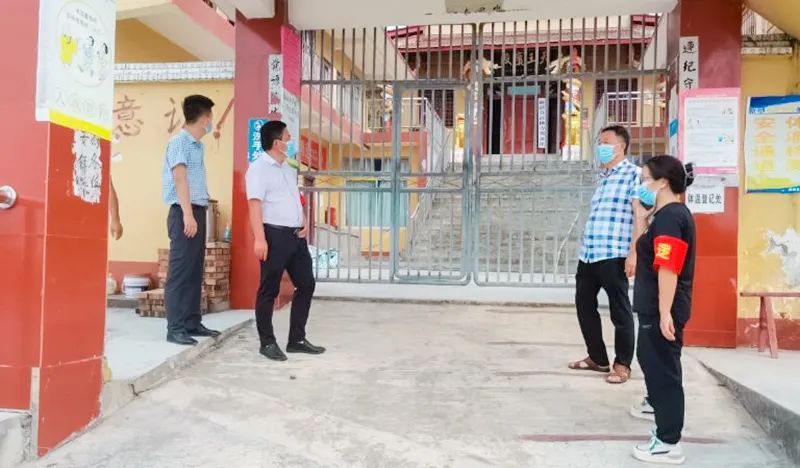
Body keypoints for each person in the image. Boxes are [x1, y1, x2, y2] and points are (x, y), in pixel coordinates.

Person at [630, 156, 696, 465]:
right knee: (652, 363)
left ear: (663, 182)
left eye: (645, 178)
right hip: (655, 306)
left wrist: (665, 312)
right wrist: (641, 219)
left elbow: (668, 268)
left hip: (661, 309)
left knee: (664, 372)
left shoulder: (670, 218)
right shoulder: (663, 216)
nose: (642, 185)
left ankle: (669, 442)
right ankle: (663, 424)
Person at [569, 125, 645, 384]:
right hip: (589, 254)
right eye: (599, 141)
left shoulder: (635, 175)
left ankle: (622, 364)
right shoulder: (603, 177)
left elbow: (640, 217)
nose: (600, 146)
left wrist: (634, 253)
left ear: (621, 146)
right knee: (584, 306)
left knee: (619, 311)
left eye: (605, 142)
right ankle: (597, 358)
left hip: (614, 254)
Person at [246, 120, 325, 361]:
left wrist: (303, 220)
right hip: (274, 235)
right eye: (288, 138)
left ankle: (296, 340)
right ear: (277, 143)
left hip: (295, 237)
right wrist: (260, 239)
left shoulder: (288, 169)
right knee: (269, 290)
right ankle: (267, 342)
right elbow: (254, 205)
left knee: (306, 284)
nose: (291, 141)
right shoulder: (258, 169)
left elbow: (295, 198)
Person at [161, 95, 220, 345]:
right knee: (180, 272)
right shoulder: (179, 143)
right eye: (210, 118)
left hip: (197, 210)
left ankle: (192, 322)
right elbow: (180, 179)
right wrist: (187, 215)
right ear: (204, 118)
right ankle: (175, 328)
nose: (211, 123)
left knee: (195, 270)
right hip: (183, 211)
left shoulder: (198, 146)